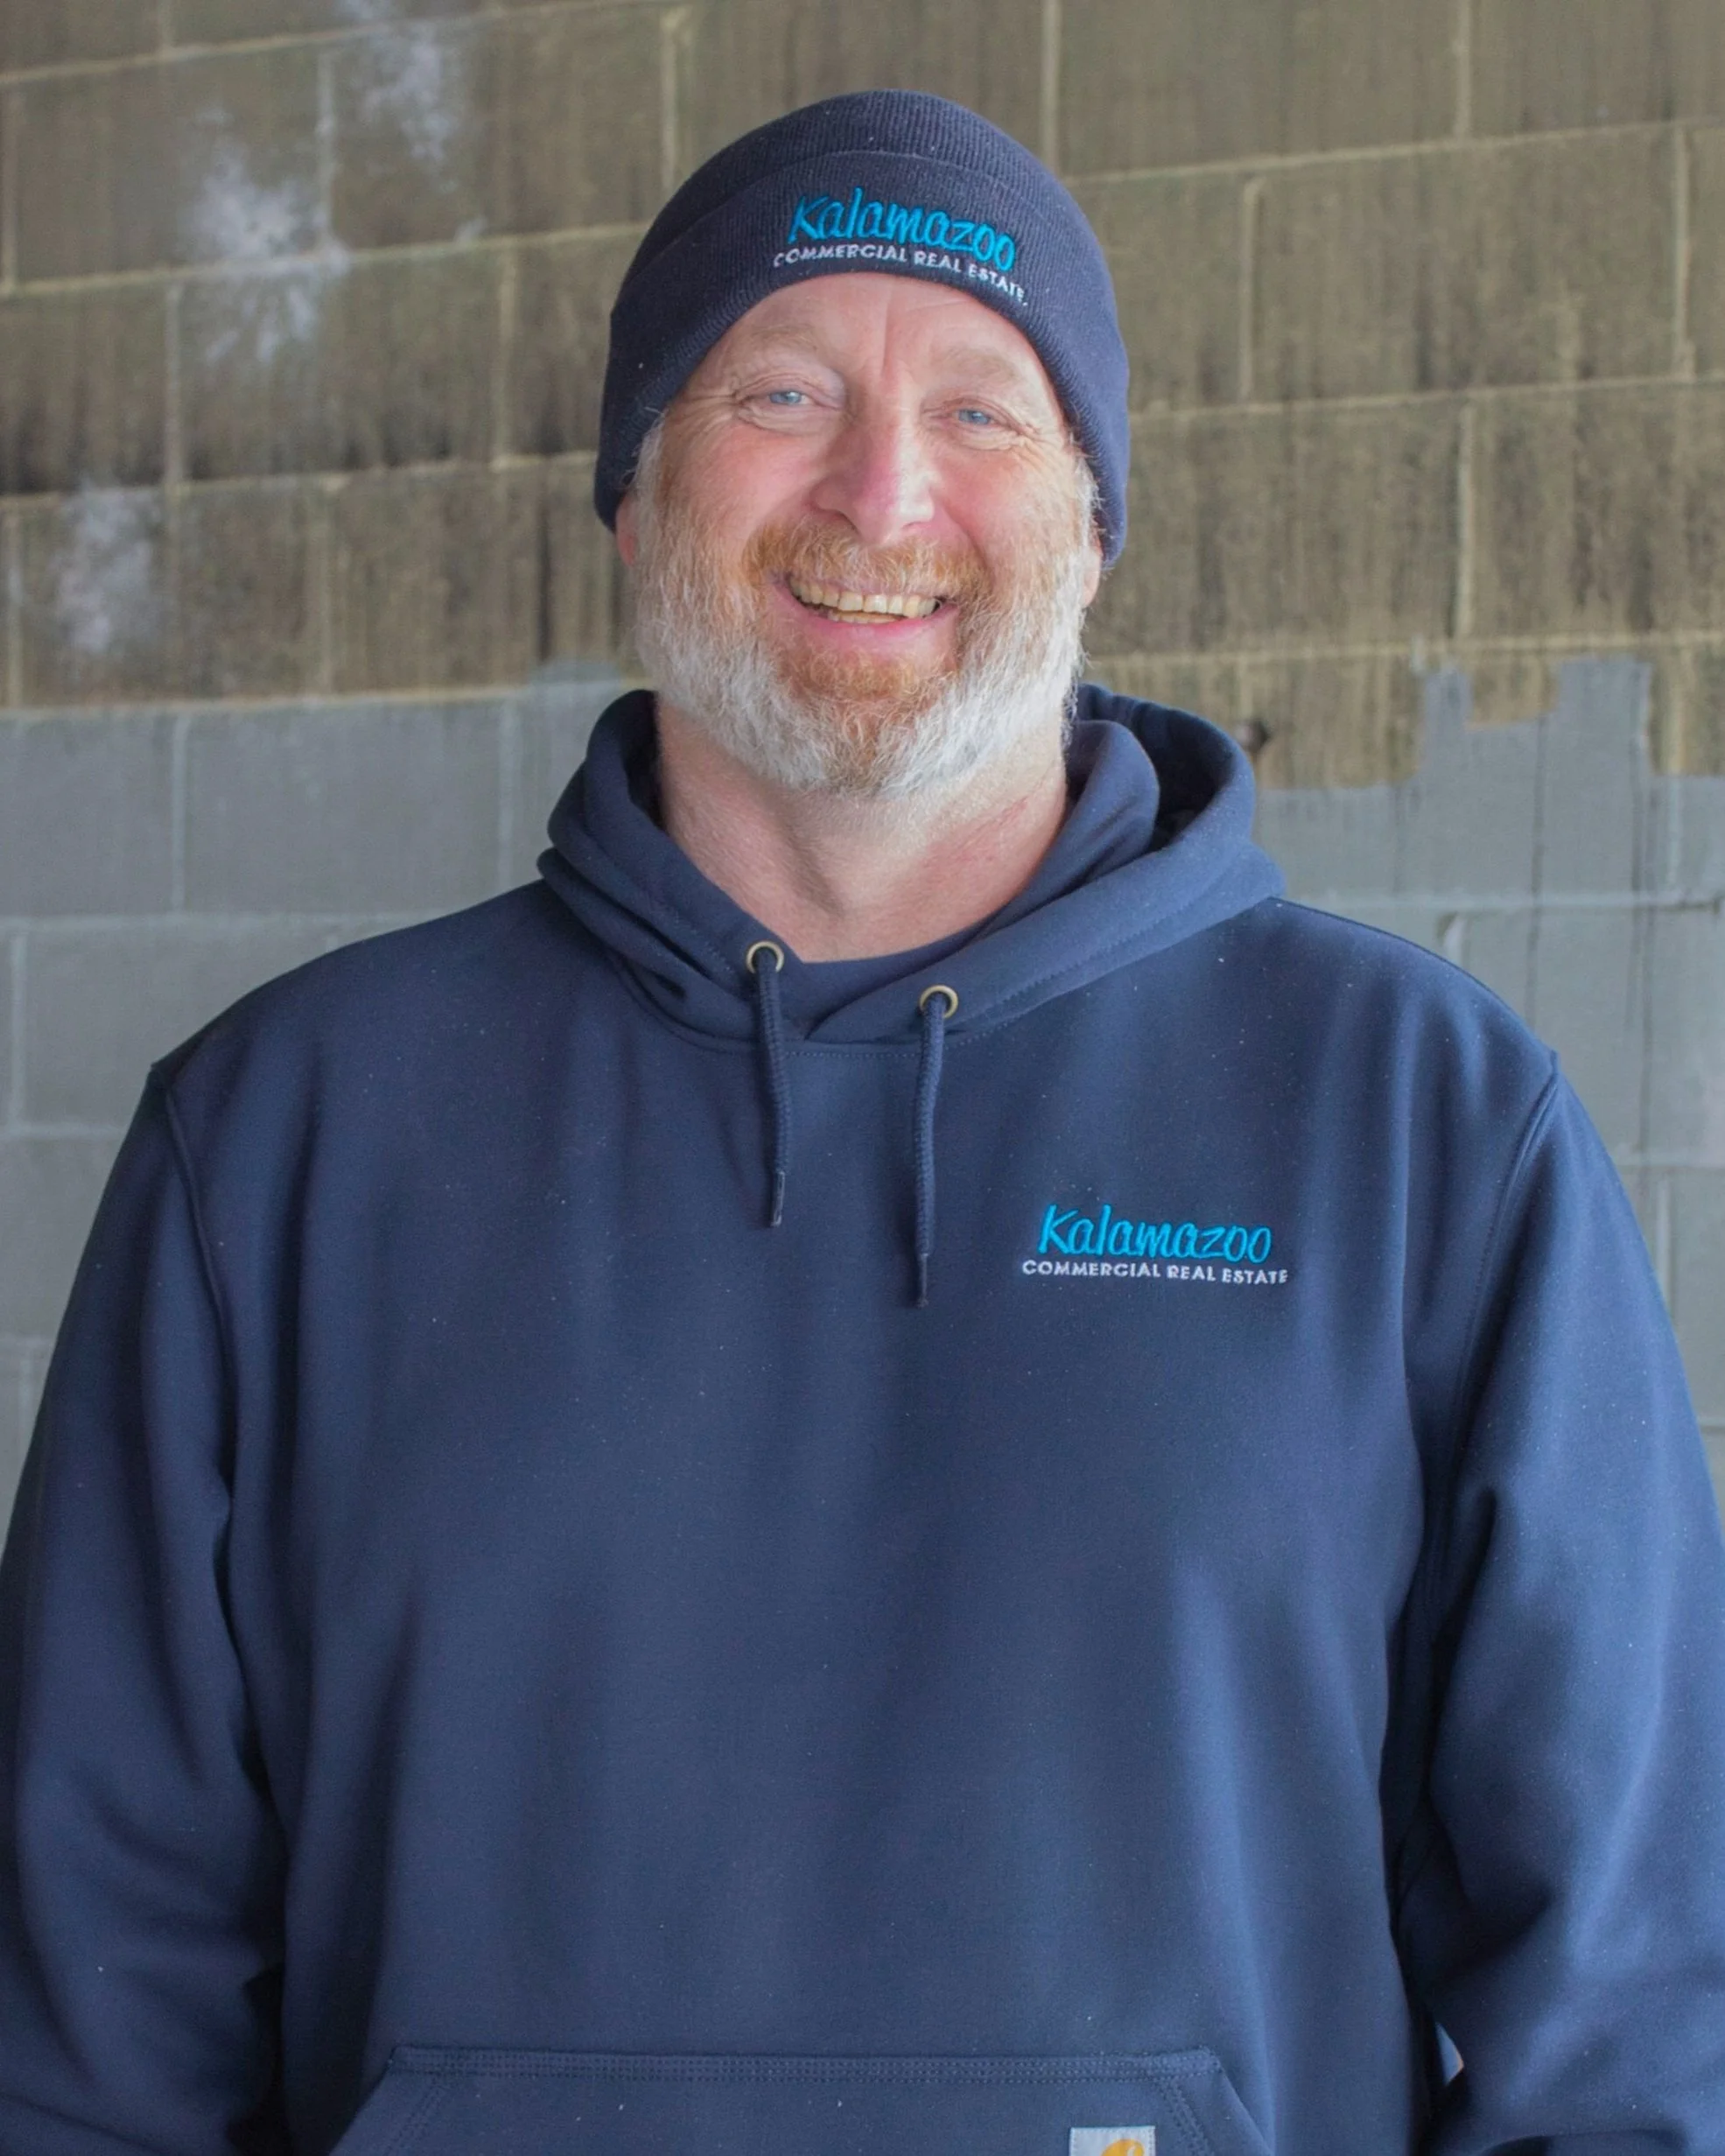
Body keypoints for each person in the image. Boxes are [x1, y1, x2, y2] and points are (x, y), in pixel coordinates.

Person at [2, 89, 1722, 2156]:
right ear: (635, 493)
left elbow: (1631, 2022)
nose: (881, 491)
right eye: (783, 391)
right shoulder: (282, 1141)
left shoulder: (1423, 1126)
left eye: (981, 411)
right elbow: (84, 2017)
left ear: (1092, 520)